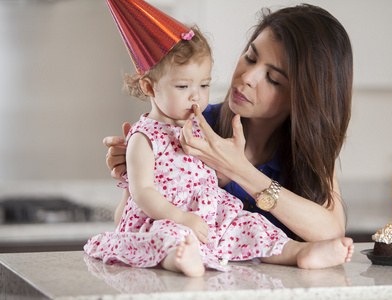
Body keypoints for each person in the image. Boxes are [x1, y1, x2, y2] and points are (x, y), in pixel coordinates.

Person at [105, 3, 353, 254]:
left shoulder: (304, 149)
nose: (248, 77)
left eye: (273, 78)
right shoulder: (187, 127)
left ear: (302, 98)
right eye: (250, 57)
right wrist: (133, 171)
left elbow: (332, 232)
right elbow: (128, 224)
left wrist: (239, 170)